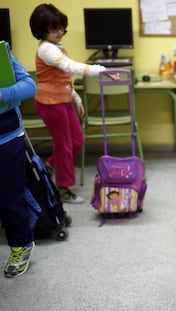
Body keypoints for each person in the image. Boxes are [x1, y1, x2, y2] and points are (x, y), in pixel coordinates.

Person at [29, 3, 110, 204]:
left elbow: (62, 76)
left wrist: (76, 97)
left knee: (77, 141)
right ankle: (63, 189)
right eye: (53, 28)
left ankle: (49, 167)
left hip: (63, 100)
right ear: (42, 29)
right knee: (64, 146)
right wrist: (97, 69)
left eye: (61, 27)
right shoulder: (46, 49)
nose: (59, 32)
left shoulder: (57, 46)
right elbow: (68, 66)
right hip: (51, 103)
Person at [0, 42, 37, 278]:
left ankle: (21, 245)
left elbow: (29, 86)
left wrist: (3, 94)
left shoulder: (2, 53)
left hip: (6, 138)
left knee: (9, 198)